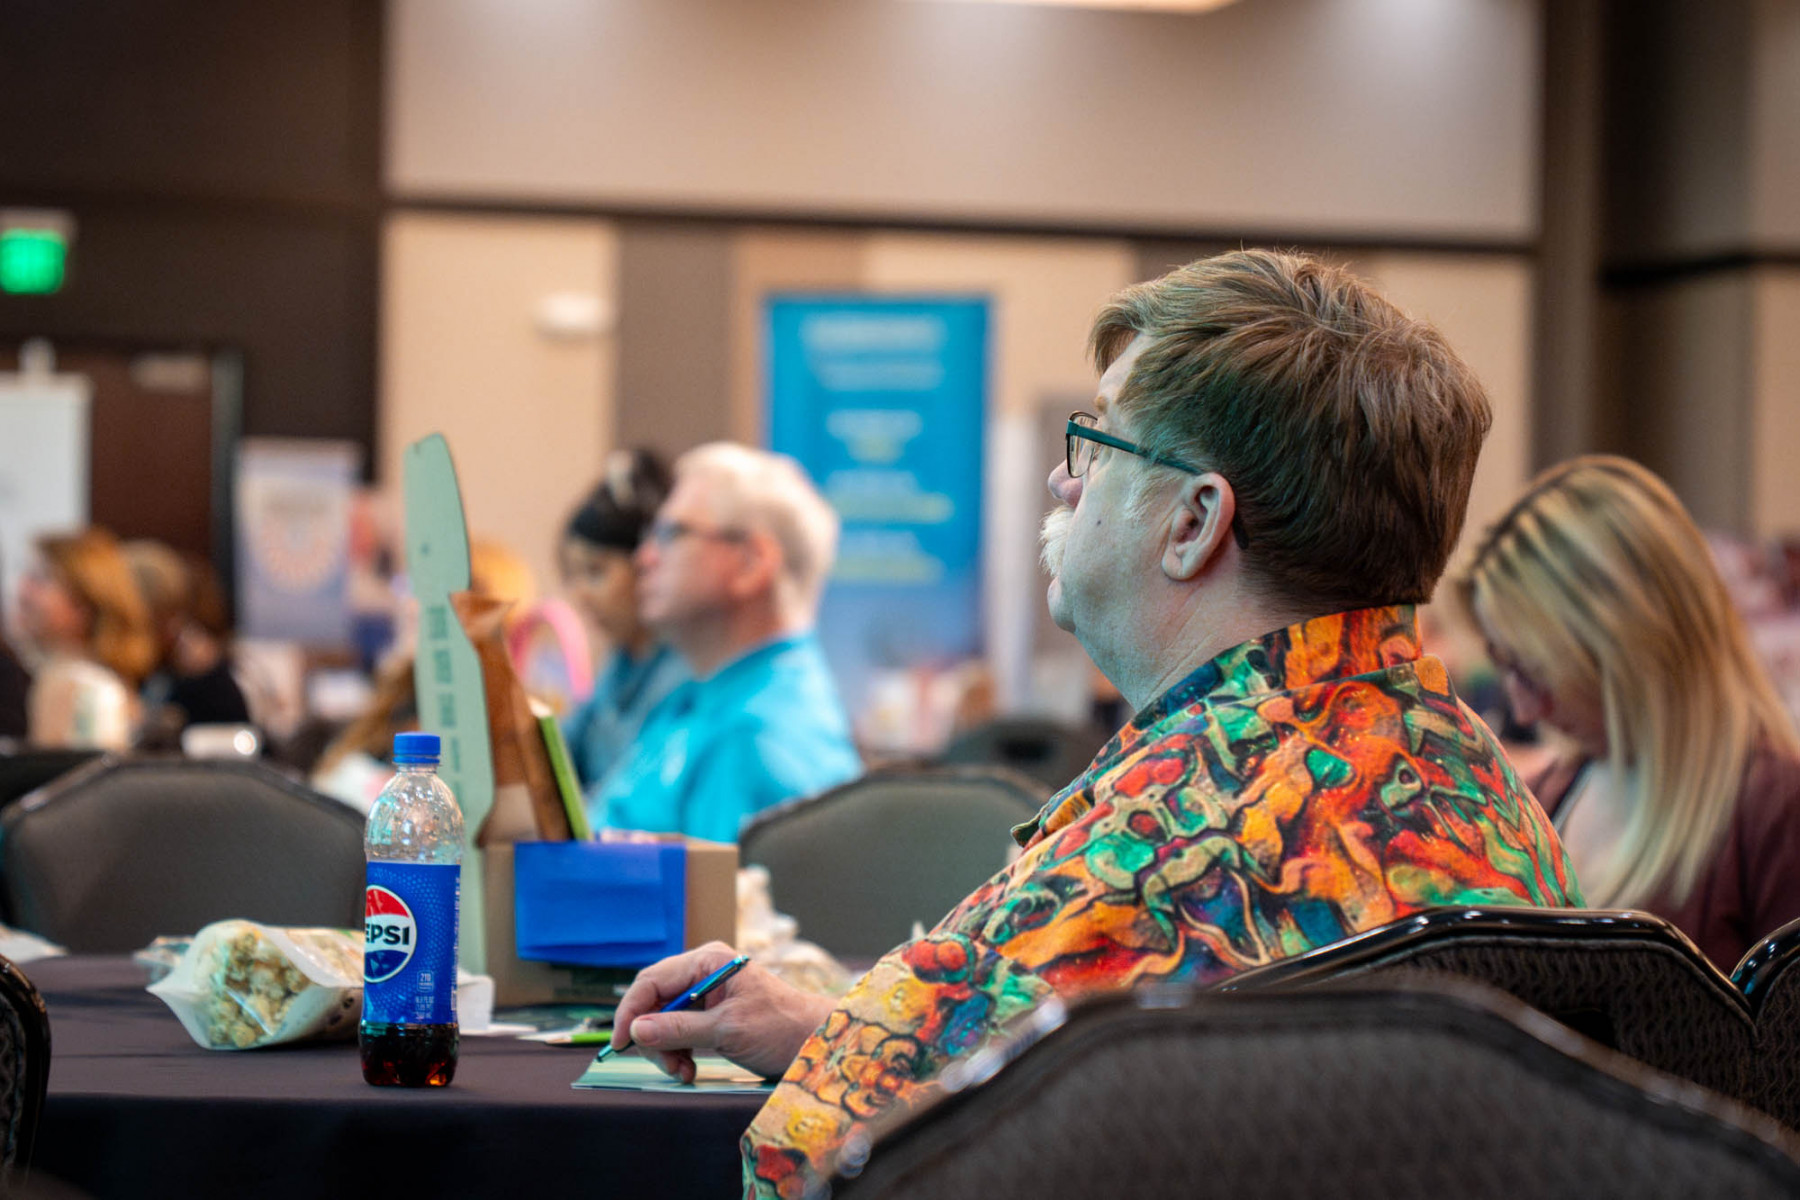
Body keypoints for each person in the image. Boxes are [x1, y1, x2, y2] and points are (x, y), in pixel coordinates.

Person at [608, 250, 1582, 1198]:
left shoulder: (1171, 841)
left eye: (1100, 440)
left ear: (1193, 523)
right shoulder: (1471, 781)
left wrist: (847, 1066)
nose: (1063, 482)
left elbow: (824, 1167)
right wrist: (830, 1030)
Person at [1459, 455, 1800, 969]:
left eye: (1537, 672)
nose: (1526, 711)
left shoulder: (1773, 811)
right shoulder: (1546, 797)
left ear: (1627, 648)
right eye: (1507, 669)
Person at [590, 442, 860, 841]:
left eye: (671, 534)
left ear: (751, 563)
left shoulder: (757, 740)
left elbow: (715, 887)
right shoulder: (703, 695)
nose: (644, 558)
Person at [558, 449, 688, 791]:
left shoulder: (683, 676)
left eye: (595, 572)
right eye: (573, 575)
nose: (581, 594)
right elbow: (560, 756)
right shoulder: (620, 666)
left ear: (647, 565)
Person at [17, 528, 156, 749]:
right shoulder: (82, 677)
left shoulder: (75, 685)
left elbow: (60, 769)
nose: (22, 590)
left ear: (84, 603)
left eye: (40, 579)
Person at [123, 540, 251, 739]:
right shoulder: (118, 668)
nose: (173, 629)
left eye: (173, 616)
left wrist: (208, 675)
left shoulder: (197, 670)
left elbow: (238, 736)